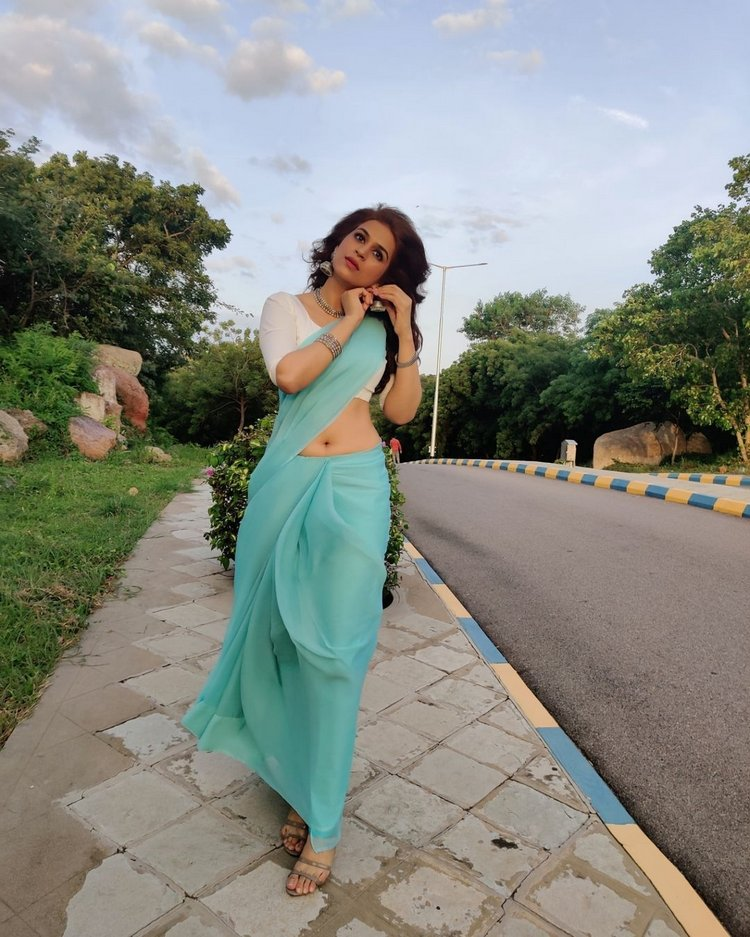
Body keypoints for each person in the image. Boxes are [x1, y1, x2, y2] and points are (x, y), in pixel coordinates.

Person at [182, 205, 429, 897]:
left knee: (336, 654)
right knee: (278, 640)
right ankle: (299, 781)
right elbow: (289, 375)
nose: (363, 253)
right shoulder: (284, 307)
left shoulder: (385, 327)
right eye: (359, 237)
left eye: (379, 253)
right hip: (286, 481)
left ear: (389, 272)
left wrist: (402, 329)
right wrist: (345, 320)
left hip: (355, 488)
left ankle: (324, 825)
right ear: (337, 240)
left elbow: (401, 412)